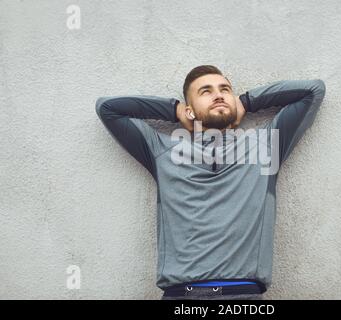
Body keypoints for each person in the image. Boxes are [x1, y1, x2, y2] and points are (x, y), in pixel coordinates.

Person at [95, 65, 326, 300]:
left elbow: (313, 90)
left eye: (224, 89)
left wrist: (246, 102)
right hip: (180, 296)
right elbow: (108, 108)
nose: (218, 95)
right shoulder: (162, 149)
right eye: (205, 91)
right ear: (190, 110)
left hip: (243, 296)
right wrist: (175, 110)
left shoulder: (265, 145)